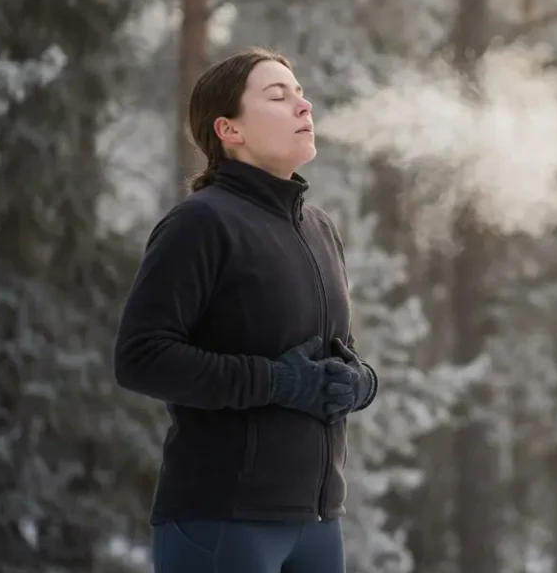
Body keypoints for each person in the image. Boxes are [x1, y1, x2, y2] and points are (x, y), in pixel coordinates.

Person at [114, 47, 379, 573]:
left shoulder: (319, 230)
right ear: (228, 130)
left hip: (318, 525)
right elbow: (141, 357)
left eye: (301, 93)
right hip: (223, 521)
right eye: (278, 96)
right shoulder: (200, 224)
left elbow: (338, 355)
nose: (303, 106)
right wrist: (277, 383)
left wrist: (360, 383)